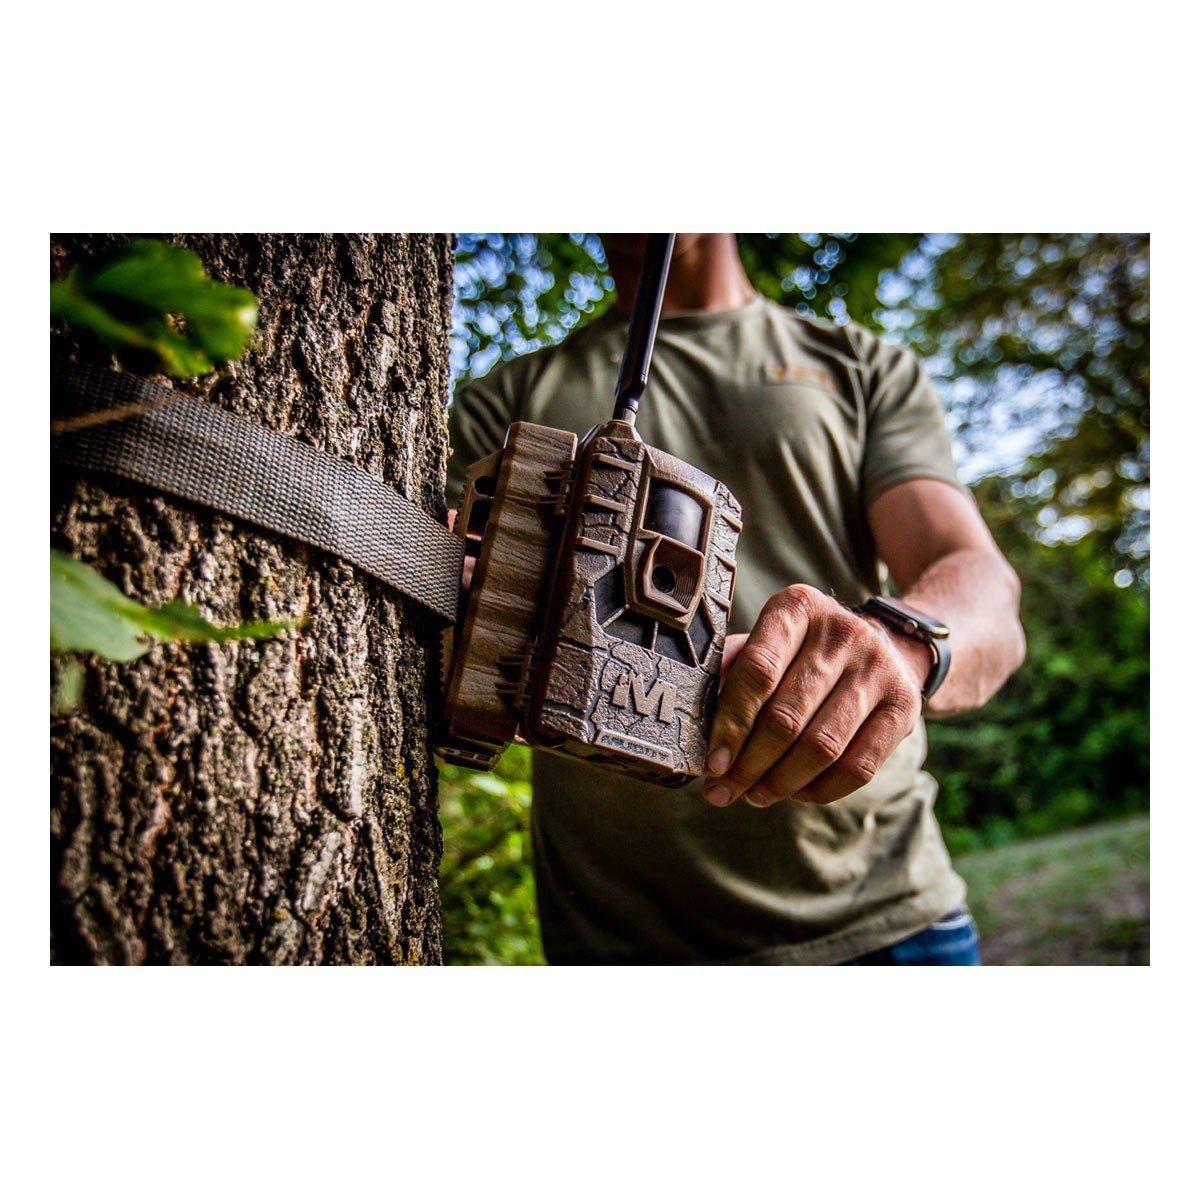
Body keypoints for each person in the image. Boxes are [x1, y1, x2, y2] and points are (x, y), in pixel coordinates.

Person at [446, 234, 1025, 965]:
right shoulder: (507, 400)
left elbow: (977, 581)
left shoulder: (857, 364)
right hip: (622, 946)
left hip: (885, 918)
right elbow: (438, 598)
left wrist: (897, 650)